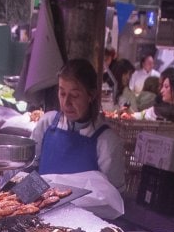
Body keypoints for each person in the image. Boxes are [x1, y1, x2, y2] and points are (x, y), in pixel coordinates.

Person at [29, 59, 126, 192]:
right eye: (62, 93)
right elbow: (29, 171)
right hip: (41, 209)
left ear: (91, 95)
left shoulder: (107, 142)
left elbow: (114, 198)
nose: (66, 102)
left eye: (74, 95)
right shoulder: (47, 124)